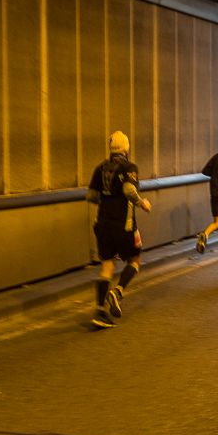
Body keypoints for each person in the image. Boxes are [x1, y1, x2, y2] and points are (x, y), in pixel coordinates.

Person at [86, 131, 152, 328]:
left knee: (107, 266)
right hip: (124, 224)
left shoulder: (100, 168)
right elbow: (128, 190)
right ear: (126, 148)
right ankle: (118, 291)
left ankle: (99, 312)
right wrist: (142, 204)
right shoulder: (129, 167)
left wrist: (106, 201)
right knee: (135, 259)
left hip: (102, 223)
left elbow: (90, 195)